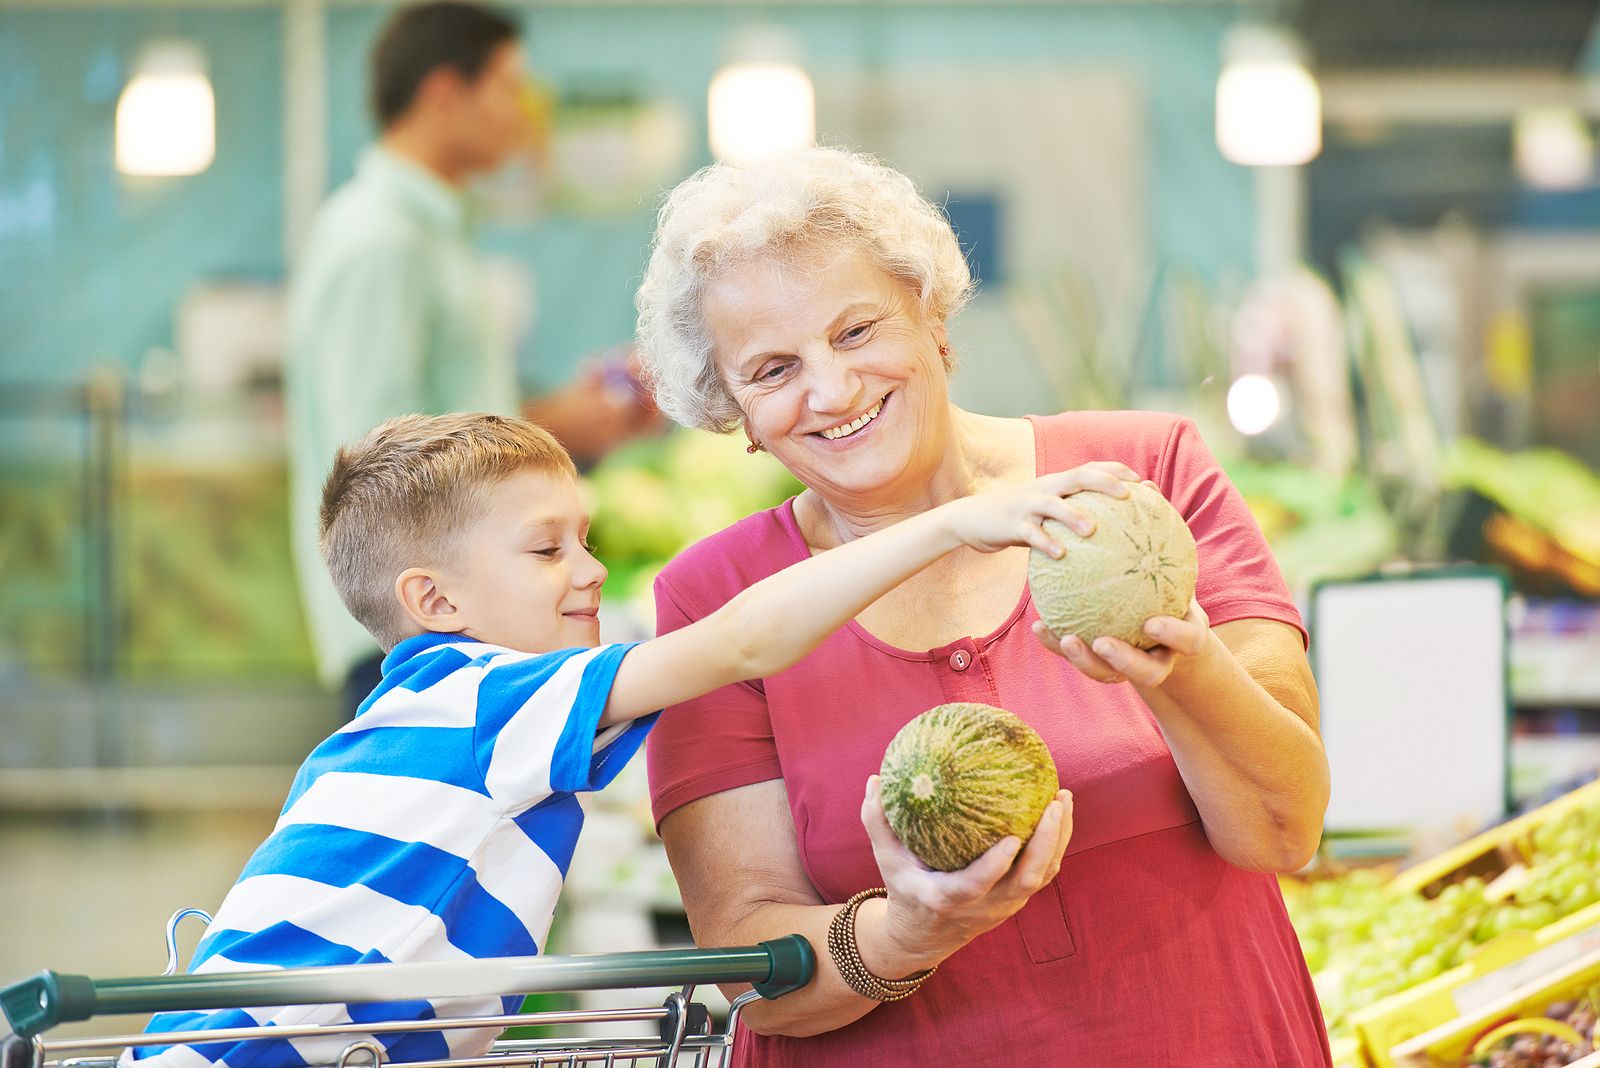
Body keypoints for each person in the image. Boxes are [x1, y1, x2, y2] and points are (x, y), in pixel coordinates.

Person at [634, 147, 1333, 1066]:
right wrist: (908, 932)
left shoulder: (1139, 480)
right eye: (771, 370)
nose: (832, 391)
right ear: (733, 408)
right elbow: (757, 974)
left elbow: (1283, 829)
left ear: (932, 315)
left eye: (855, 332)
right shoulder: (718, 601)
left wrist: (1185, 667)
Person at [131, 410, 1097, 1067]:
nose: (590, 572)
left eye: (586, 539)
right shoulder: (483, 696)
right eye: (548, 549)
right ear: (436, 602)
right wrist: (951, 526)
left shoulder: (430, 711)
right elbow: (739, 643)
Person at [285, 1, 658, 716]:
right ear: (444, 93)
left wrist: (560, 423)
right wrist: (555, 429)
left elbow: (444, 420)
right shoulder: (379, 242)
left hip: (461, 616)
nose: (524, 112)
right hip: (418, 631)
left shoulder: (431, 236)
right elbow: (381, 466)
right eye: (510, 87)